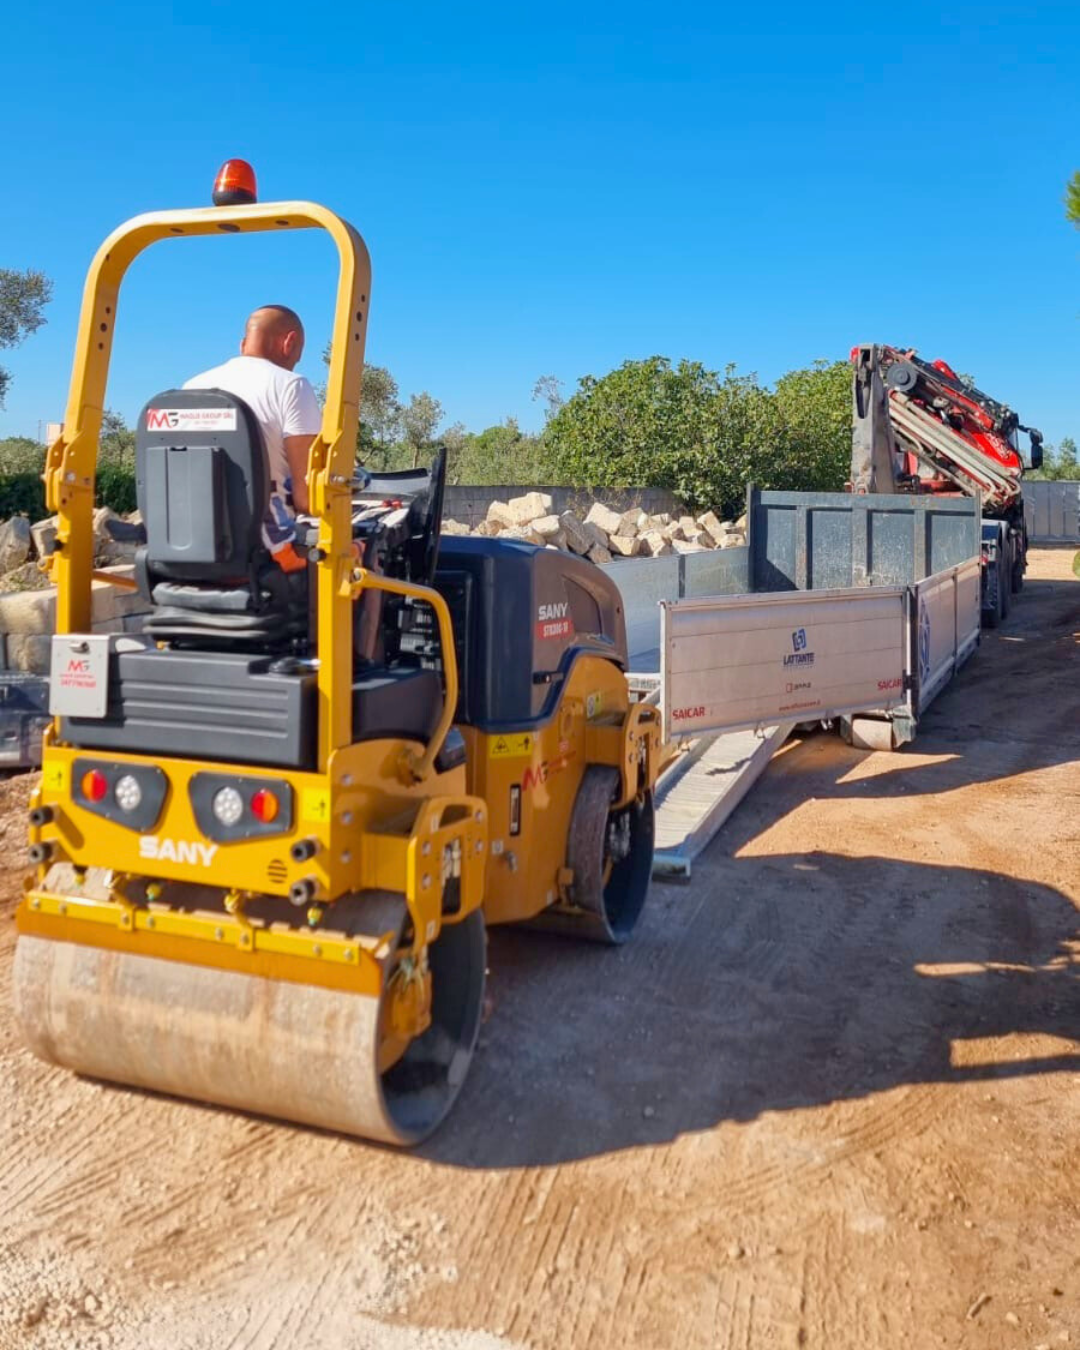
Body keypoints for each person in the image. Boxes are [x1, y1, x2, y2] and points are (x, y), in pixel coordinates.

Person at [184, 305, 321, 571]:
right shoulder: (291, 385)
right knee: (363, 553)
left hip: (189, 549)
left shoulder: (192, 386)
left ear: (243, 344)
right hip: (265, 553)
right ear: (290, 342)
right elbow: (307, 499)